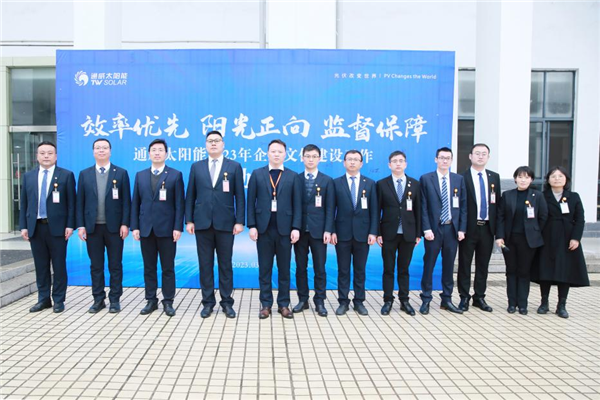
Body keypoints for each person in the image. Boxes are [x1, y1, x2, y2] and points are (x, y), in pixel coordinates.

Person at [185, 131, 245, 319]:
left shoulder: (234, 166)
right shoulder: (197, 167)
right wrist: (189, 220)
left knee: (225, 265)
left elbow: (240, 196)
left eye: (217, 141)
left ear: (223, 144)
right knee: (205, 265)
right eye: (210, 141)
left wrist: (239, 221)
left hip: (226, 224)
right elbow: (190, 195)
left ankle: (227, 302)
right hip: (202, 223)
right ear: (205, 144)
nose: (213, 144)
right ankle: (208, 302)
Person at [247, 139, 302, 319]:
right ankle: (265, 304)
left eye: (280, 151)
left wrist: (296, 227)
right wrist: (252, 225)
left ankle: (283, 304)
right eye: (273, 151)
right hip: (263, 229)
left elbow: (297, 205)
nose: (276, 154)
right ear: (268, 153)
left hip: (285, 230)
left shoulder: (293, 176)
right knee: (265, 269)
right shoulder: (257, 174)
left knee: (284, 269)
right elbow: (250, 202)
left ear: (285, 154)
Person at [20, 141, 76, 313]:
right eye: (42, 153)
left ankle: (58, 300)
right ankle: (43, 299)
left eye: (50, 153)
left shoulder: (66, 175)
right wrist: (23, 226)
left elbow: (71, 204)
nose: (46, 156)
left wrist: (70, 225)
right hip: (36, 228)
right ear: (37, 156)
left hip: (58, 229)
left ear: (56, 156)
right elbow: (24, 203)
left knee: (59, 265)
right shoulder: (28, 176)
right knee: (41, 266)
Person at [131, 139, 185, 317]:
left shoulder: (175, 175)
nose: (157, 153)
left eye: (160, 150)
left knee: (168, 268)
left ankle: (168, 301)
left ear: (166, 154)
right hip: (146, 229)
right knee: (149, 267)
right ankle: (151, 300)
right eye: (153, 150)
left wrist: (178, 227)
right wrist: (135, 227)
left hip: (167, 230)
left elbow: (180, 204)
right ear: (148, 154)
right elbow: (135, 203)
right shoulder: (140, 175)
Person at [76, 138, 131, 314]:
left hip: (114, 228)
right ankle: (98, 299)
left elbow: (126, 202)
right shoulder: (84, 174)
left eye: (104, 147)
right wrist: (81, 226)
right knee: (96, 265)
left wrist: (125, 224)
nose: (101, 150)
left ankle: (115, 299)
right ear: (93, 151)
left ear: (110, 151)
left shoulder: (120, 173)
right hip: (92, 228)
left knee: (115, 265)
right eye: (98, 148)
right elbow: (80, 202)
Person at [532, 166, 589, 318]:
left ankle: (561, 305)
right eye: (553, 176)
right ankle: (544, 303)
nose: (557, 179)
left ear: (566, 179)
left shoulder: (574, 197)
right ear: (548, 180)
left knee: (564, 271)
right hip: (546, 237)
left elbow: (580, 220)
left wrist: (576, 238)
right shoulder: (541, 196)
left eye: (560, 176)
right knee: (545, 270)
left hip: (566, 238)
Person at [419, 147, 467, 315]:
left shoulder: (458, 179)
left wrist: (462, 228)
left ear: (451, 160)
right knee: (429, 265)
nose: (444, 161)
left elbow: (463, 206)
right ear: (436, 159)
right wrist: (426, 229)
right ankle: (426, 299)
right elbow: (423, 206)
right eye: (441, 157)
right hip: (434, 229)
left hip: (452, 229)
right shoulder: (426, 179)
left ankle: (446, 299)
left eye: (448, 158)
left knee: (448, 266)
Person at [331, 150, 378, 316]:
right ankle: (343, 301)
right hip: (342, 234)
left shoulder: (370, 183)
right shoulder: (336, 183)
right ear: (344, 162)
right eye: (349, 159)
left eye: (356, 159)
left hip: (363, 235)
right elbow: (331, 209)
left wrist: (373, 232)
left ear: (361, 163)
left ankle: (359, 301)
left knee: (360, 270)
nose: (352, 162)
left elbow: (374, 210)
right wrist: (332, 231)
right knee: (343, 270)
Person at [496, 166, 548, 315]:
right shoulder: (507, 195)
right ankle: (512, 303)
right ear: (515, 179)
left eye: (526, 177)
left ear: (531, 179)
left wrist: (535, 232)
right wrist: (499, 236)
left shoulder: (537, 196)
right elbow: (500, 217)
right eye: (520, 177)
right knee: (511, 271)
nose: (523, 180)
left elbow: (543, 216)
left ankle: (523, 304)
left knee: (524, 272)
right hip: (510, 239)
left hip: (528, 241)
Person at [376, 150, 421, 316]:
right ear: (389, 165)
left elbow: (419, 210)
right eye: (394, 161)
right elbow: (376, 210)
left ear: (406, 164)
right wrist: (378, 233)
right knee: (388, 269)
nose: (398, 164)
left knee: (404, 269)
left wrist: (418, 234)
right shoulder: (382, 184)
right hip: (388, 233)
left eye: (401, 161)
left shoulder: (415, 184)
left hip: (408, 234)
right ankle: (388, 300)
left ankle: (404, 301)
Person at [457, 144, 501, 312]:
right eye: (477, 153)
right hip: (469, 228)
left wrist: (498, 232)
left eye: (484, 154)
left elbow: (497, 205)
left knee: (483, 265)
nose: (480, 156)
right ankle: (464, 297)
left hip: (487, 228)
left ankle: (479, 297)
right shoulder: (462, 178)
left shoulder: (494, 177)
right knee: (465, 264)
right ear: (470, 156)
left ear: (488, 157)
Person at [292, 144, 335, 317]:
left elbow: (330, 208)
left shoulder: (327, 180)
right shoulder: (295, 179)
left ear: (319, 159)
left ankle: (320, 301)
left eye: (314, 156)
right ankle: (303, 299)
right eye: (308, 156)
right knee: (300, 267)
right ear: (302, 158)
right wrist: (294, 228)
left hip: (319, 232)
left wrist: (328, 230)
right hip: (300, 231)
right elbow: (292, 206)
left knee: (320, 268)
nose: (311, 159)